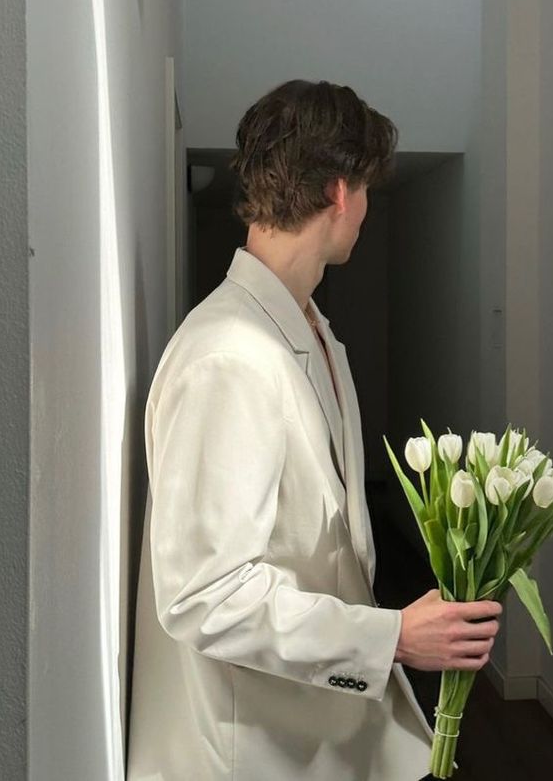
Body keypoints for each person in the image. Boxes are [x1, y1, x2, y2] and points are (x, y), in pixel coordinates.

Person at [127, 80, 502, 781]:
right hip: (252, 749)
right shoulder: (228, 357)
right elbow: (204, 596)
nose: (363, 208)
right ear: (338, 190)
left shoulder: (312, 332)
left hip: (310, 728)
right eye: (364, 189)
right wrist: (390, 637)